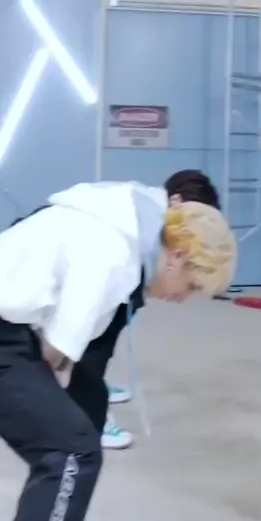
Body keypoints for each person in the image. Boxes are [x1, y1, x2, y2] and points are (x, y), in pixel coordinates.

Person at [0, 173, 236, 521]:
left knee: (86, 406)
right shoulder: (115, 256)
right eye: (191, 285)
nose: (182, 298)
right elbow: (55, 355)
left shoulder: (130, 218)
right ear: (177, 256)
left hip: (3, 323)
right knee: (71, 450)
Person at [101, 171, 222, 453]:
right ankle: (90, 412)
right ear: (176, 201)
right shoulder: (146, 225)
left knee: (105, 329)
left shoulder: (150, 210)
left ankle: (91, 384)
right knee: (93, 337)